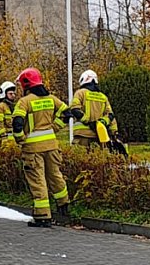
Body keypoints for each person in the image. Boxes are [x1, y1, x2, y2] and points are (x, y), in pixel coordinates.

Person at [12, 67, 71, 228]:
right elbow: (67, 113)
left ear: (25, 84)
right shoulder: (51, 98)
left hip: (32, 148)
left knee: (38, 180)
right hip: (52, 145)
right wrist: (55, 127)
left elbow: (17, 123)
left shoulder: (24, 102)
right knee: (55, 175)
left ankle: (42, 215)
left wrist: (20, 139)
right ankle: (64, 205)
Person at [70, 70, 118, 149]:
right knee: (96, 159)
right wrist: (102, 123)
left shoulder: (80, 93)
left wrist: (88, 121)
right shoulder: (103, 97)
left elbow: (74, 109)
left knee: (80, 158)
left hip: (82, 135)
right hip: (99, 135)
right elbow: (110, 115)